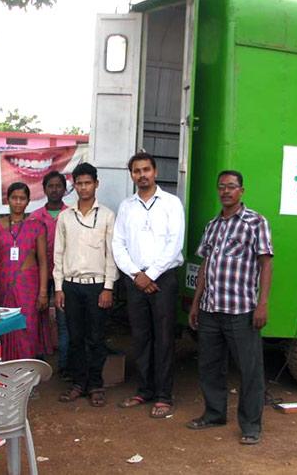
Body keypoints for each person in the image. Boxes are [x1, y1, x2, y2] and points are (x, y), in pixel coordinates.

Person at [187, 170, 273, 445]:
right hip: (211, 308)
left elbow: (266, 264)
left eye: (231, 187)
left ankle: (250, 426)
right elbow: (205, 265)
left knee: (250, 370)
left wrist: (263, 303)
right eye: (221, 187)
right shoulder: (212, 225)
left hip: (241, 310)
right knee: (210, 366)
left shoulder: (255, 222)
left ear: (242, 191)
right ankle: (214, 414)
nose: (226, 191)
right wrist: (197, 302)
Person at [112, 151, 185, 419]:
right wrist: (135, 274)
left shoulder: (171, 203)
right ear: (131, 175)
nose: (142, 175)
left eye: (146, 170)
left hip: (163, 278)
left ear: (155, 171)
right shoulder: (126, 206)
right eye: (136, 171)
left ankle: (164, 396)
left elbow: (175, 243)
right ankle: (144, 390)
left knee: (164, 338)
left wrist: (151, 275)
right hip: (134, 280)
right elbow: (118, 244)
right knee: (141, 337)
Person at [54, 162, 118, 406]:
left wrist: (108, 287)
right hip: (71, 286)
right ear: (74, 186)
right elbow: (58, 254)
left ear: (96, 184)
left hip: (97, 287)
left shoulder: (107, 216)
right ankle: (78, 383)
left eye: (87, 183)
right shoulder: (65, 217)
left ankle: (96, 384)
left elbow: (111, 254)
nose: (83, 187)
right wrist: (59, 288)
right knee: (75, 337)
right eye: (79, 183)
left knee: (97, 337)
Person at [0, 182, 53, 360]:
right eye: (14, 198)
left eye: (22, 198)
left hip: (28, 288)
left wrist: (43, 292)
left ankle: (27, 378)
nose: (18, 202)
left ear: (28, 201)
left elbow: (43, 261)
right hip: (4, 286)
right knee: (4, 328)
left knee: (28, 328)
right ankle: (6, 376)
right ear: (7, 200)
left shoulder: (36, 226)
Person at [29, 170, 67, 376]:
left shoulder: (71, 214)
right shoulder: (35, 217)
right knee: (37, 317)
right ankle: (38, 360)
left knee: (64, 319)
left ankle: (64, 364)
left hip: (64, 275)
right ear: (44, 190)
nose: (54, 189)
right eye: (50, 186)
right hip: (39, 276)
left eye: (58, 186)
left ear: (64, 189)